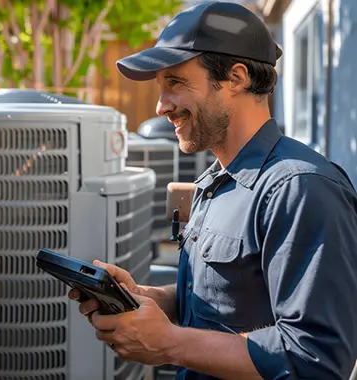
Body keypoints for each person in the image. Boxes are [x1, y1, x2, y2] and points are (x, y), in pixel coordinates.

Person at [69, 1, 357, 379]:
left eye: (175, 82)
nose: (160, 106)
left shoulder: (301, 189)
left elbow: (315, 358)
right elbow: (230, 299)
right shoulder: (218, 180)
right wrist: (149, 299)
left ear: (236, 78)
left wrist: (170, 342)